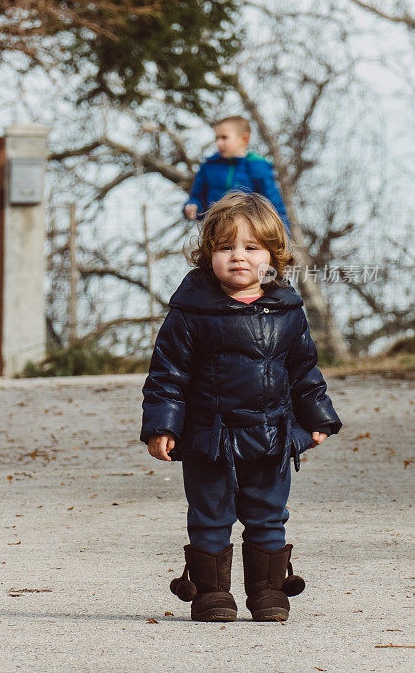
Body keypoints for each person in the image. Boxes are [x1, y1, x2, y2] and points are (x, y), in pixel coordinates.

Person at [140, 191, 341, 623]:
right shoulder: (189, 312)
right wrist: (162, 426)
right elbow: (167, 375)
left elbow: (304, 370)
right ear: (206, 255)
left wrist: (318, 418)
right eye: (225, 247)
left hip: (271, 439)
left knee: (268, 515)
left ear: (272, 256)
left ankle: (268, 590)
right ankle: (211, 593)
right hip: (209, 440)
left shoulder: (287, 310)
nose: (238, 257)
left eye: (251, 248)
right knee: (210, 516)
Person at [183, 115, 290, 233]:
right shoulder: (208, 167)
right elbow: (196, 197)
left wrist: (284, 236)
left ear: (244, 139)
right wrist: (192, 207)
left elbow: (275, 208)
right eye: (217, 138)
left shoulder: (258, 168)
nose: (219, 143)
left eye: (224, 138)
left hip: (248, 234)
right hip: (214, 232)